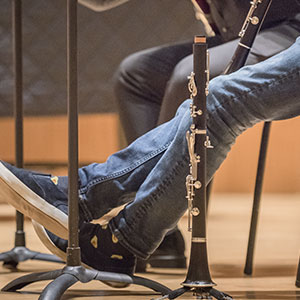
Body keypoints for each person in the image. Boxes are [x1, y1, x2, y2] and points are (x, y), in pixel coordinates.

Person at [0, 36, 299, 276]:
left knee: (213, 100)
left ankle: (124, 236)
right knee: (146, 77)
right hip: (245, 31)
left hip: (284, 30)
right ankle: (86, 201)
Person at [112, 0, 300, 270]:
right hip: (239, 35)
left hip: (290, 33)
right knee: (135, 75)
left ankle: (147, 222)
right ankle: (161, 234)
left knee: (187, 77)